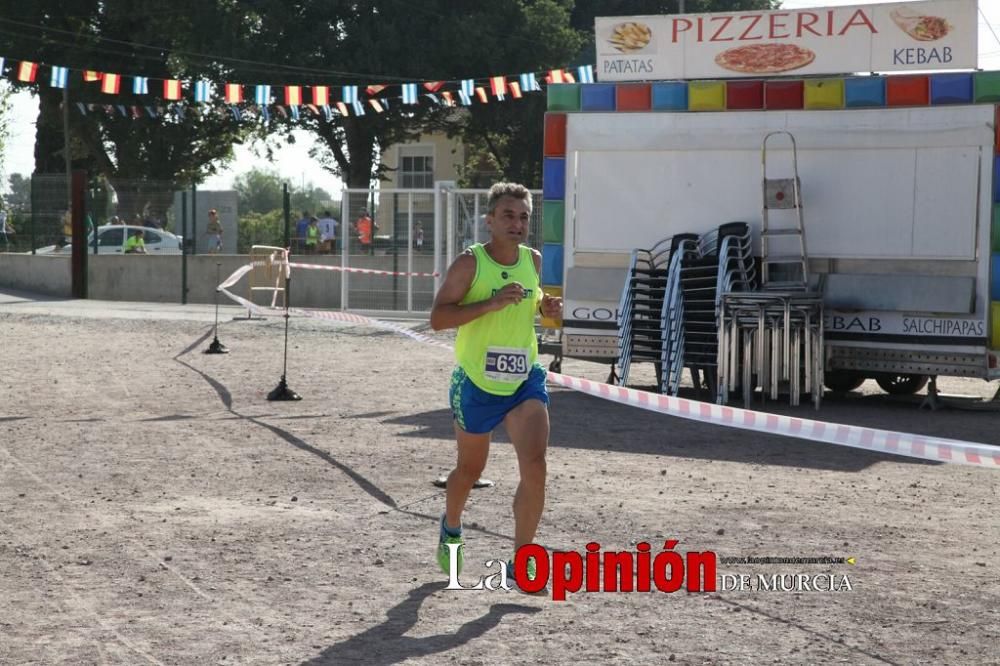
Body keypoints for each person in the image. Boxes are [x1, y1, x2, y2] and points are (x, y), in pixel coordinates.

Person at [429, 182, 562, 584]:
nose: (518, 223)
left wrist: (547, 308)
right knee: (470, 470)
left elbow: (537, 304)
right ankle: (451, 527)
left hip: (524, 380)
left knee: (535, 465)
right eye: (508, 215)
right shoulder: (470, 264)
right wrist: (489, 303)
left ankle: (522, 563)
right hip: (476, 383)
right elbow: (438, 319)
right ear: (489, 221)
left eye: (524, 216)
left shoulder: (533, 260)